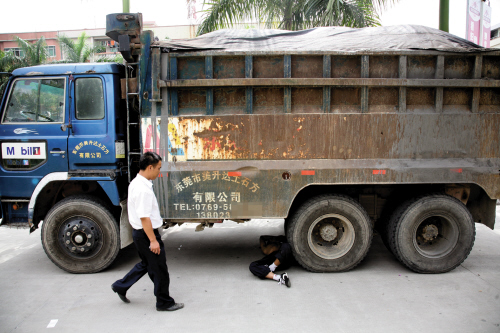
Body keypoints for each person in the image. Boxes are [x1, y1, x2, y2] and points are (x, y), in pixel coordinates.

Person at [111, 152, 184, 311]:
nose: (159, 171)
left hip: (140, 234)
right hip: (146, 234)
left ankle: (121, 286)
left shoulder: (136, 183)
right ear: (149, 167)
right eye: (158, 168)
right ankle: (164, 302)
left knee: (146, 264)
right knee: (160, 270)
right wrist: (153, 240)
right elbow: (144, 218)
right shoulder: (142, 189)